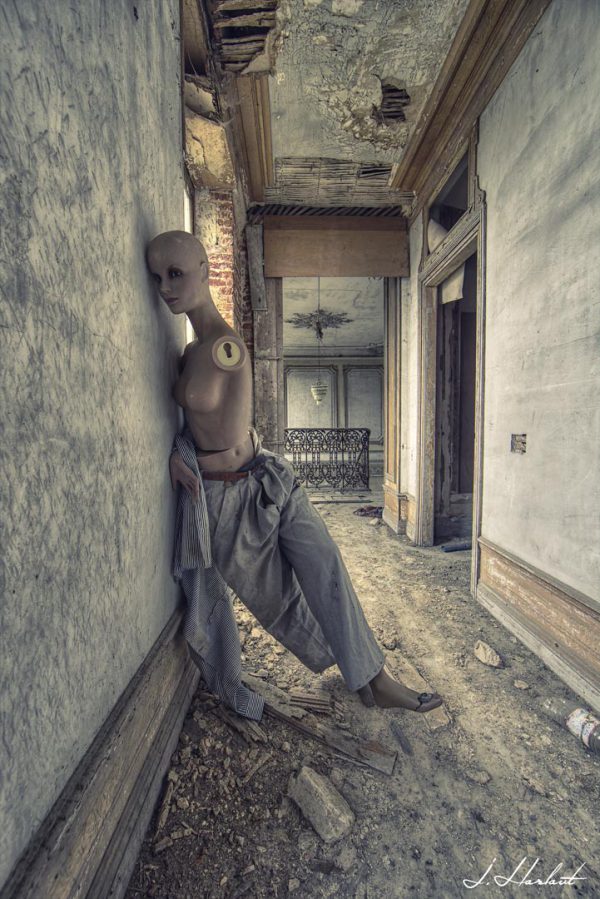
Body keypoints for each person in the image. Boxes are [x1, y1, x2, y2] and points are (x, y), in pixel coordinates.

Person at [146, 230, 443, 717]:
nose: (165, 287)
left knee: (326, 565)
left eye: (176, 273)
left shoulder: (228, 349)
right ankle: (352, 670)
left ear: (204, 270)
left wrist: (190, 455)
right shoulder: (189, 353)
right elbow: (195, 429)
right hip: (224, 502)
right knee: (279, 601)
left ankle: (376, 679)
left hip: (265, 478)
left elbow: (233, 434)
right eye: (157, 278)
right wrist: (181, 452)